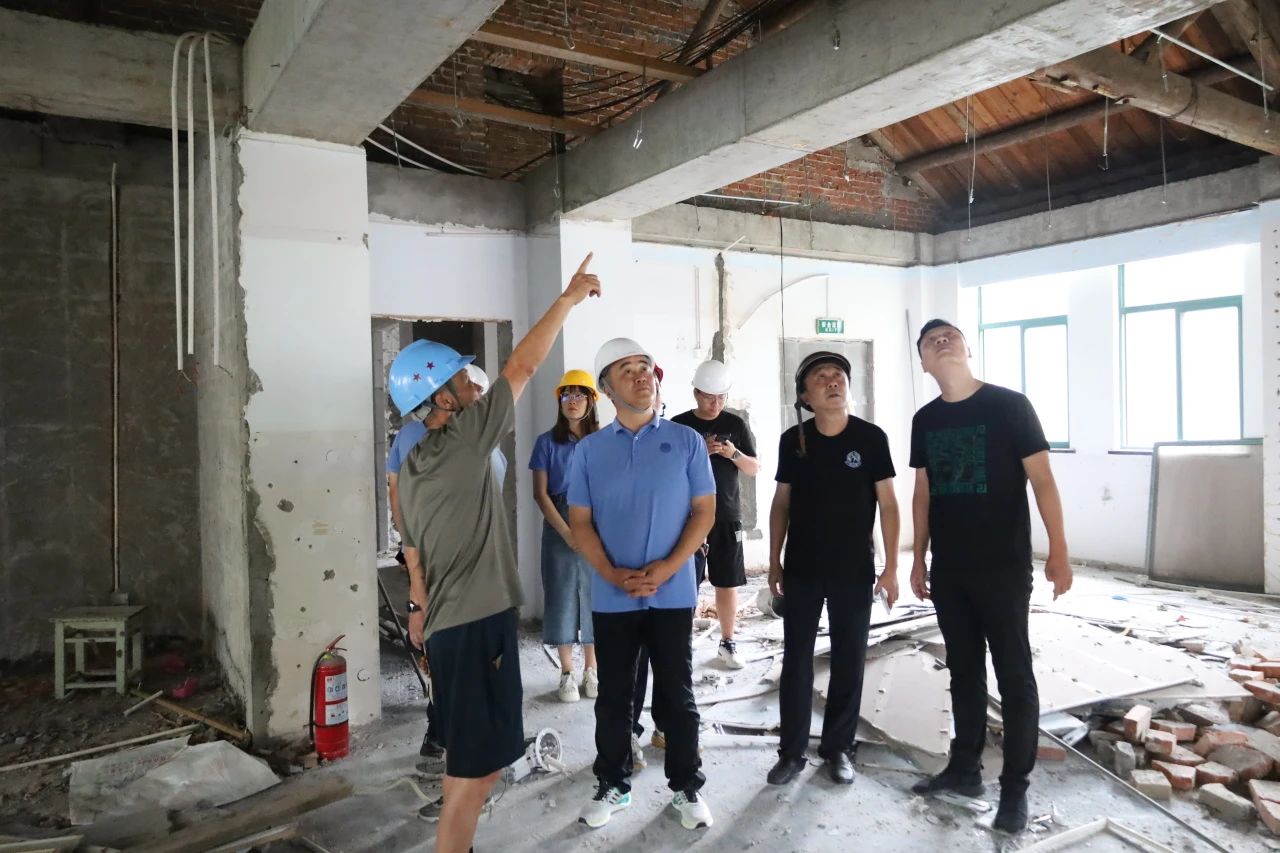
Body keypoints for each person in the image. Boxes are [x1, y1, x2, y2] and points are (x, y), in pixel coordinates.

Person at [395, 254, 602, 853]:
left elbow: (412, 546)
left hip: (452, 626)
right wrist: (567, 300)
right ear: (442, 398)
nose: (475, 385)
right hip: (474, 625)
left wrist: (418, 608)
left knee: (472, 767)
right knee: (474, 776)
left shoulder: (414, 464)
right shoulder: (463, 440)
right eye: (463, 380)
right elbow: (523, 365)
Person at [908, 319, 1071, 834]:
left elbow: (1042, 480)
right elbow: (923, 492)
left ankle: (1015, 789)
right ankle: (964, 770)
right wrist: (918, 557)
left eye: (950, 335)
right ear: (923, 362)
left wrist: (1059, 550)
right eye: (931, 341)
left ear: (968, 348)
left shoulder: (1009, 406)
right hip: (950, 568)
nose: (942, 341)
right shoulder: (925, 419)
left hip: (1003, 566)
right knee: (963, 671)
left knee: (1014, 674)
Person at [569, 338, 716, 831]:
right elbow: (580, 523)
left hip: (673, 592)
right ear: (607, 389)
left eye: (645, 367)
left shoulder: (686, 441)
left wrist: (670, 567)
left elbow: (704, 511)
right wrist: (611, 573)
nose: (640, 376)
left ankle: (687, 786)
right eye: (627, 370)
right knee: (614, 695)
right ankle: (613, 783)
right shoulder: (589, 451)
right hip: (613, 595)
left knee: (678, 693)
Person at [765, 351, 900, 786]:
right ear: (805, 396)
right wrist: (774, 560)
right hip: (802, 568)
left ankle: (838, 748)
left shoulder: (871, 438)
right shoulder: (793, 440)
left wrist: (892, 566)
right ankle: (791, 752)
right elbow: (781, 503)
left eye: (838, 375)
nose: (832, 381)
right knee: (797, 660)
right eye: (820, 377)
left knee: (848, 658)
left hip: (854, 568)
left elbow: (889, 504)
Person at [387, 363, 507, 772]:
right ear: (444, 397)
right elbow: (399, 497)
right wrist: (413, 565)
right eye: (470, 386)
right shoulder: (413, 437)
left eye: (480, 389)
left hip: (484, 563)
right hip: (438, 560)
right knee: (442, 652)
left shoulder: (486, 439)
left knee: (484, 656)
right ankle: (442, 732)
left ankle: (476, 737)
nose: (478, 395)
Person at [671, 360, 759, 670]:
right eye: (709, 397)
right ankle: (679, 643)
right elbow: (667, 471)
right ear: (696, 393)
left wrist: (733, 453)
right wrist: (701, 453)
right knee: (685, 582)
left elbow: (753, 468)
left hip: (727, 514)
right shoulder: (679, 425)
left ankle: (728, 641)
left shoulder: (736, 424)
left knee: (727, 580)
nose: (715, 404)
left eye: (721, 397)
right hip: (688, 517)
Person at [530, 369, 601, 702]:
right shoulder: (546, 442)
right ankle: (567, 673)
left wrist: (592, 531)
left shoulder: (602, 441)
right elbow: (540, 494)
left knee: (593, 594)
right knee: (560, 595)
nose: (572, 401)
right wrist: (567, 532)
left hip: (596, 520)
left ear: (591, 401)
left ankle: (592, 669)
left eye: (579, 395)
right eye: (566, 395)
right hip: (558, 519)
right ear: (559, 401)